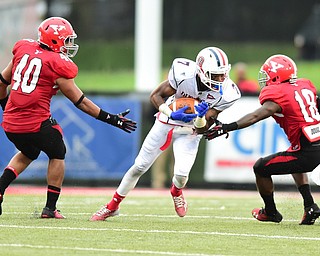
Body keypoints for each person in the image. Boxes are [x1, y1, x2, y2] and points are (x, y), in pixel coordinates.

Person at [0, 17, 137, 219]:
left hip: (10, 123)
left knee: (29, 151)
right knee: (57, 150)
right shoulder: (57, 64)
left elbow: (2, 82)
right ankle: (50, 208)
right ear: (55, 40)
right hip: (33, 122)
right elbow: (81, 102)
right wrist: (112, 119)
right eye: (66, 40)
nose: (69, 45)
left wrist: (6, 107)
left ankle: (1, 188)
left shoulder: (23, 49)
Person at [90, 46, 241, 221]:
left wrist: (200, 116)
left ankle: (176, 191)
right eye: (216, 75)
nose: (222, 79)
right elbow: (155, 95)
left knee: (181, 176)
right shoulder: (183, 73)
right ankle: (112, 206)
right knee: (139, 166)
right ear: (202, 71)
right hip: (167, 121)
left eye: (223, 74)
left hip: (191, 130)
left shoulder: (228, 93)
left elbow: (203, 127)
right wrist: (170, 113)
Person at [204, 54, 320, 225]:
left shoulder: (278, 93)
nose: (264, 80)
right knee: (293, 152)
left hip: (309, 152)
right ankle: (310, 206)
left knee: (260, 168)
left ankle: (270, 212)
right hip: (312, 145)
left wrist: (227, 127)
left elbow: (256, 116)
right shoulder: (305, 86)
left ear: (276, 75)